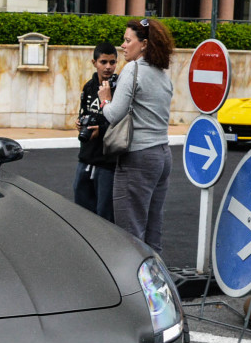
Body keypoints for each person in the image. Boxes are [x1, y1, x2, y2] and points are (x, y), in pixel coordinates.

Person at [101, 18, 175, 255]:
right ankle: (157, 285)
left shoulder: (133, 69)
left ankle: (135, 289)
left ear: (143, 44)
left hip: (138, 157)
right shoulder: (162, 73)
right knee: (153, 228)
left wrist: (105, 97)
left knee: (130, 232)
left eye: (127, 40)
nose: (123, 45)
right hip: (162, 155)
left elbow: (113, 114)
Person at [72, 43, 118, 222]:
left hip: (108, 161)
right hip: (86, 157)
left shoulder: (120, 87)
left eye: (112, 62)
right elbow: (84, 113)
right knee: (81, 211)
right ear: (94, 62)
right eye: (103, 62)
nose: (108, 67)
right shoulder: (89, 87)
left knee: (105, 215)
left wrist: (102, 130)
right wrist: (80, 123)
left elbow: (122, 123)